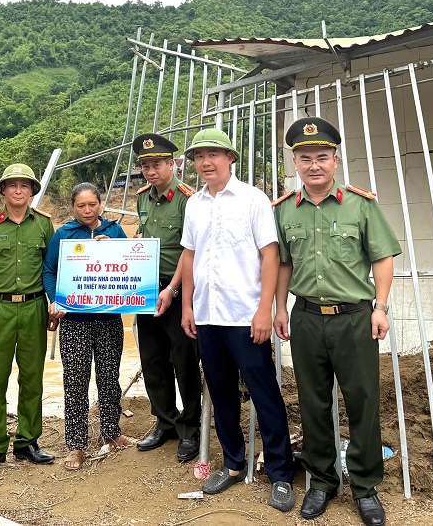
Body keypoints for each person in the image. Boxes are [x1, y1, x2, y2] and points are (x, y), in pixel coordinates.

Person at [274, 117, 401, 526]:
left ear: (335, 160)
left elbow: (383, 256)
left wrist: (381, 307)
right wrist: (280, 308)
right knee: (312, 402)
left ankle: (364, 487)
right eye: (305, 158)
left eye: (322, 157)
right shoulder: (284, 210)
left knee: (362, 401)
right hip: (307, 317)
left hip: (355, 318)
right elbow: (283, 264)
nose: (314, 165)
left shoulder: (360, 205)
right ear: (295, 162)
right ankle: (322, 482)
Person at [179, 128, 297, 512]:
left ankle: (280, 473)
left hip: (245, 315)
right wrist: (187, 306)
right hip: (207, 315)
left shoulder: (252, 199)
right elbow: (189, 256)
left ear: (230, 158)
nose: (205, 162)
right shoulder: (194, 204)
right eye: (199, 156)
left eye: (213, 154)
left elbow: (270, 255)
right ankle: (232, 462)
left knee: (264, 393)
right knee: (221, 392)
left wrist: (265, 309)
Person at [0, 164, 56, 475]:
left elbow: (52, 268)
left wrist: (54, 304)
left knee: (32, 377)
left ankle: (27, 442)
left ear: (32, 191)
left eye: (24, 185)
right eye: (12, 185)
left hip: (34, 308)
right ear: (3, 190)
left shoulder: (44, 224)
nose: (18, 190)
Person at [42, 182, 133, 471]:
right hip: (74, 323)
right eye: (81, 205)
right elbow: (49, 270)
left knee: (109, 377)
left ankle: (112, 432)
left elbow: (131, 265)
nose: (87, 210)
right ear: (73, 207)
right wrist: (55, 299)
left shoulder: (115, 231)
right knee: (75, 382)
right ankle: (76, 445)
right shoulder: (64, 235)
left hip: (109, 320)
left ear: (100, 204)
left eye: (92, 204)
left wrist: (115, 249)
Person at [130, 133, 202, 463]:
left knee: (184, 360)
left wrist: (172, 290)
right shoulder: (143, 199)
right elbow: (143, 239)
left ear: (172, 164)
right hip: (146, 290)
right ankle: (165, 422)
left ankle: (190, 428)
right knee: (153, 358)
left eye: (157, 164)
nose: (151, 171)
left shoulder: (188, 200)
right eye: (145, 166)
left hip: (180, 290)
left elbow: (190, 251)